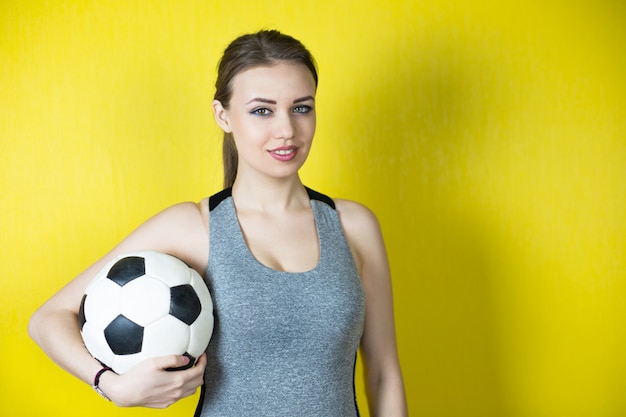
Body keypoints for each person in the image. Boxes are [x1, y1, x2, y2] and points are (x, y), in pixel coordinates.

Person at [29, 29, 407, 416]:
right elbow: (47, 320)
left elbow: (382, 373)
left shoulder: (353, 225)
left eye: (301, 107)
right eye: (262, 110)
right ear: (223, 116)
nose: (287, 130)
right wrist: (113, 386)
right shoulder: (193, 227)